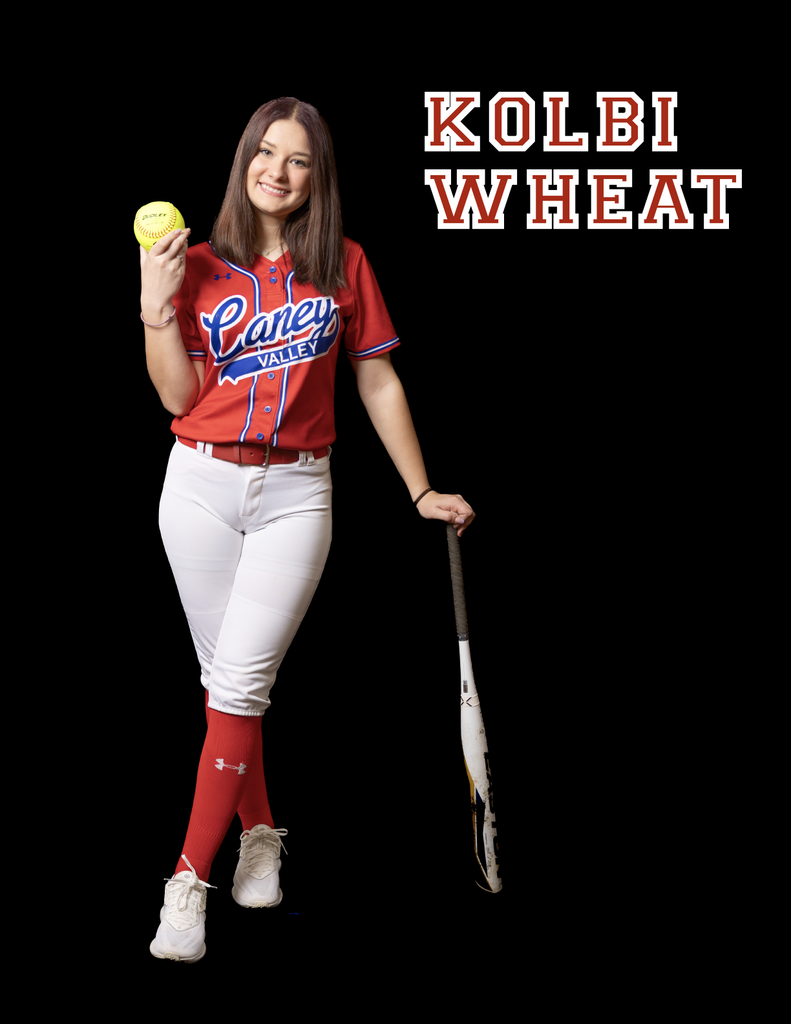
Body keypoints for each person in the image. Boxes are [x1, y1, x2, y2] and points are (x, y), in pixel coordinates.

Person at [140, 97, 475, 962]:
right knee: (226, 687)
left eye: (298, 160)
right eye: (265, 152)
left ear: (316, 178)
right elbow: (177, 398)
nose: (277, 171)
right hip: (199, 486)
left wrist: (419, 490)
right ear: (244, 159)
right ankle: (259, 835)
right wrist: (155, 301)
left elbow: (377, 383)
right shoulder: (197, 262)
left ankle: (186, 881)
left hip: (296, 493)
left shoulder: (343, 265)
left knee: (238, 686)